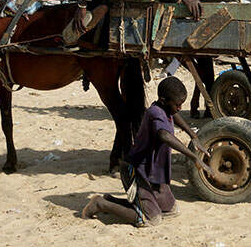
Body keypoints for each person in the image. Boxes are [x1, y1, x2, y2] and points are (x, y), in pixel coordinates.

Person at [82, 77, 213, 227]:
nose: (180, 108)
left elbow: (174, 114)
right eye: (178, 105)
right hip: (137, 172)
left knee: (171, 210)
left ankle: (111, 200)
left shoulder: (164, 108)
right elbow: (164, 135)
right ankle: (100, 204)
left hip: (154, 174)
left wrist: (193, 136)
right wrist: (194, 157)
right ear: (163, 101)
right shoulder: (154, 114)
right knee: (152, 219)